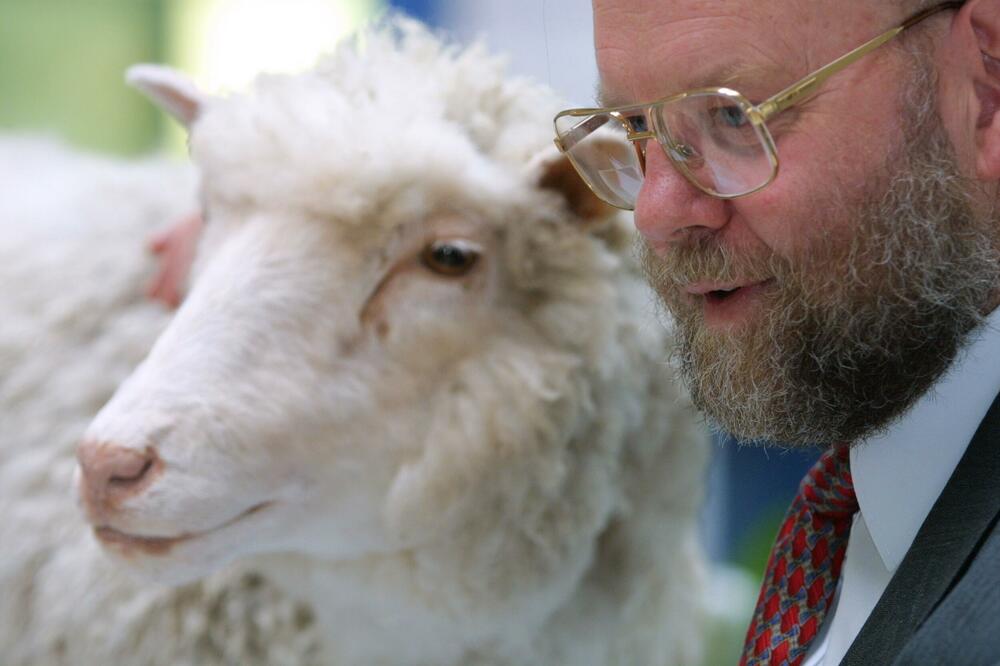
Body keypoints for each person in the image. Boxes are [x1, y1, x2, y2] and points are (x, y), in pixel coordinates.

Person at [554, 0, 999, 664]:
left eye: (733, 116)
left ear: (985, 88)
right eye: (638, 129)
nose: (655, 212)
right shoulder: (871, 504)